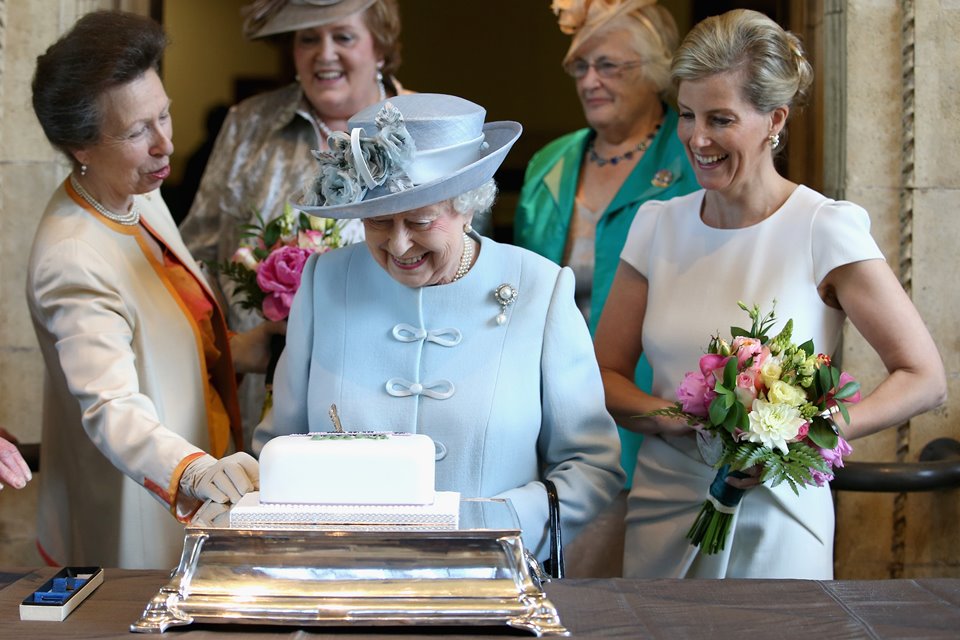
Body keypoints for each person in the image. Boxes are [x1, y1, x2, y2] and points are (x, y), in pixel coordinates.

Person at [595, 9, 947, 579]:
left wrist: (800, 437)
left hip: (778, 513)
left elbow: (923, 378)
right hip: (663, 507)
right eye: (687, 115)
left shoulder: (823, 228)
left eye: (720, 119)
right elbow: (604, 374)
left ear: (774, 120)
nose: (698, 138)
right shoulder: (655, 225)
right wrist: (669, 416)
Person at [253, 94, 626, 561]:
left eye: (420, 221)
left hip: (489, 577)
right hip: (345, 580)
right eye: (379, 222)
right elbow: (281, 446)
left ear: (469, 206)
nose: (399, 244)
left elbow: (592, 465)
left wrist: (499, 524)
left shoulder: (540, 289)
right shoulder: (325, 282)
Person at [27, 11, 281, 569]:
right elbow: (111, 404)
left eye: (163, 114)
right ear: (81, 147)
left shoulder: (136, 193)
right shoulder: (72, 255)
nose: (166, 143)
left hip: (203, 445)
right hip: (137, 504)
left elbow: (157, 338)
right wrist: (193, 471)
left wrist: (245, 348)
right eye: (138, 130)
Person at [178, 0, 406, 445]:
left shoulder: (424, 126)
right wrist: (227, 347)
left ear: (379, 46)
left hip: (383, 389)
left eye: (343, 36)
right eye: (308, 38)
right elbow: (197, 257)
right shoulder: (248, 125)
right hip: (259, 388)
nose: (324, 54)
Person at [514, 0, 698, 508]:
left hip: (650, 397)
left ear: (657, 72)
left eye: (609, 65)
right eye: (581, 66)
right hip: (550, 397)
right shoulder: (550, 162)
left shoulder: (691, 163)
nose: (590, 80)